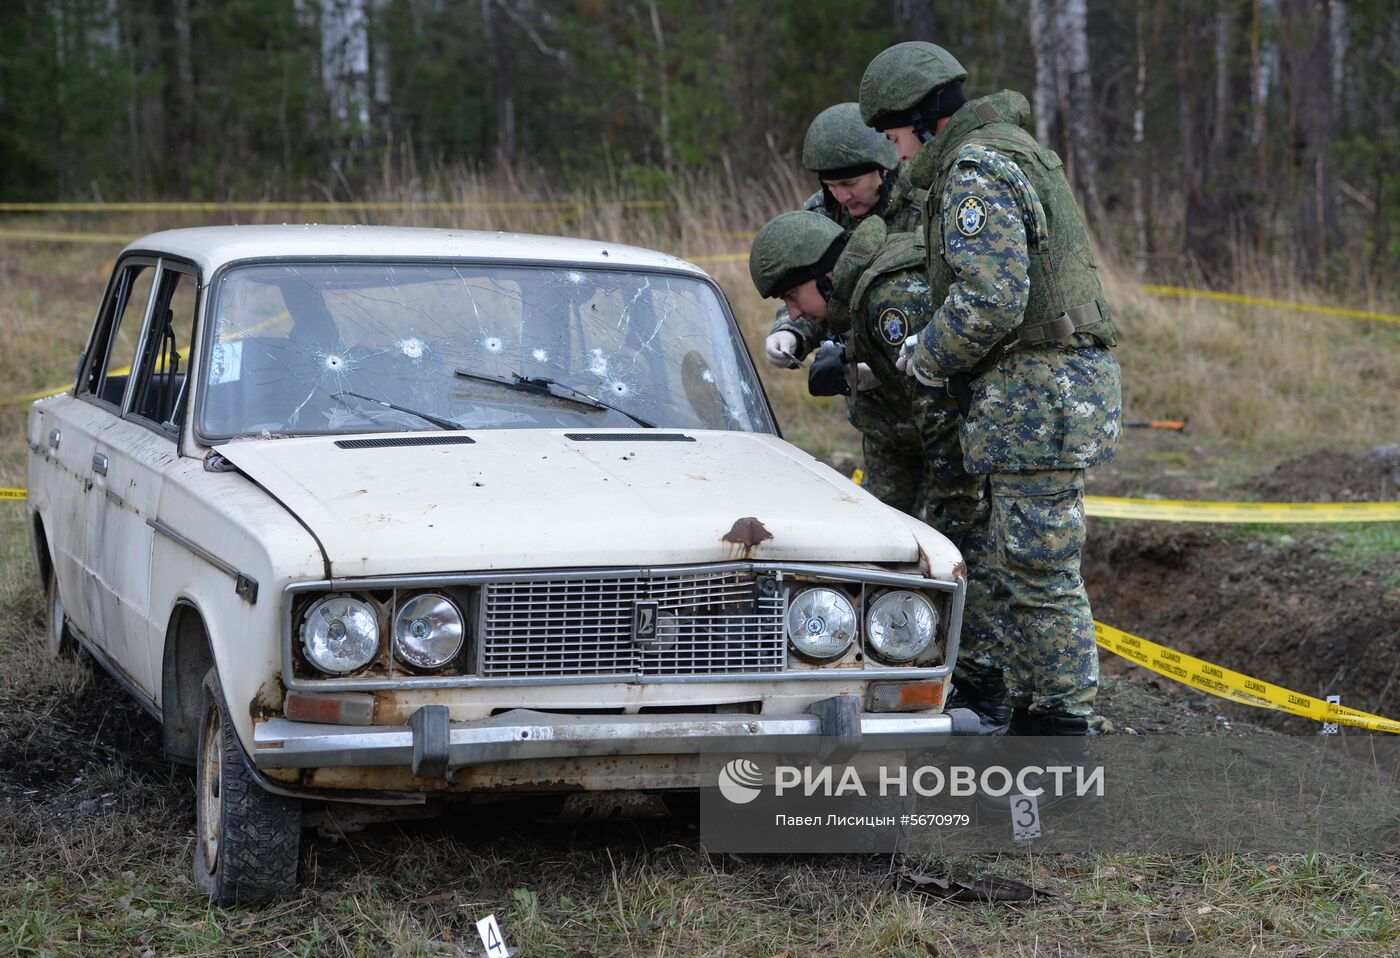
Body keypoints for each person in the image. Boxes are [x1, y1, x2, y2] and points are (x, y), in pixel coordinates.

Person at [859, 41, 1123, 737]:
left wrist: (927, 356)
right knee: (1025, 567)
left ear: (922, 121)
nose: (897, 156)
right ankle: (1043, 710)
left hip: (1038, 399)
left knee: (1038, 574)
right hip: (1044, 395)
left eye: (894, 138)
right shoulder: (1008, 151)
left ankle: (1062, 725)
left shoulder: (976, 171)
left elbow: (991, 300)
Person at [749, 210, 1008, 733]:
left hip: (975, 441)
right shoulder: (857, 291)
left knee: (966, 552)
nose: (792, 311)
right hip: (936, 439)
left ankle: (988, 688)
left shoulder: (891, 298)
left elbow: (937, 406)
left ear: (823, 277)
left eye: (792, 298)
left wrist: (955, 497)